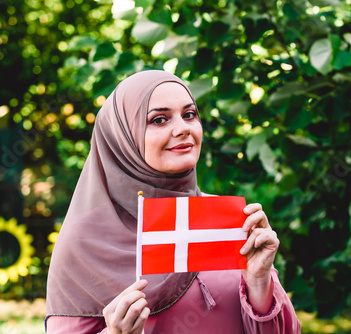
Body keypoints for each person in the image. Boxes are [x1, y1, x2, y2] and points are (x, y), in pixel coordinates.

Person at [45, 70, 301, 333]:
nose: (183, 129)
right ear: (122, 138)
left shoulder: (227, 221)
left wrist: (259, 282)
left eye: (189, 115)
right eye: (159, 120)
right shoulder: (84, 241)